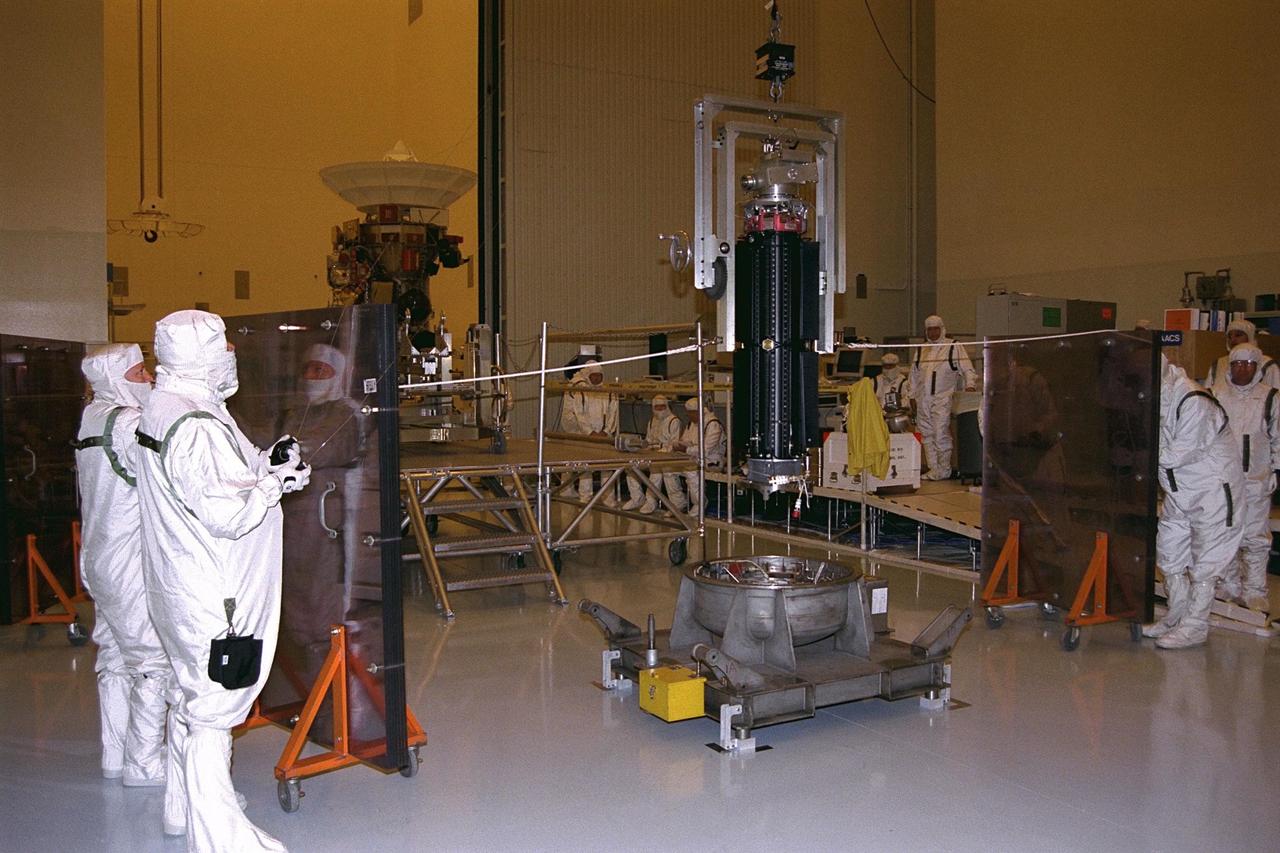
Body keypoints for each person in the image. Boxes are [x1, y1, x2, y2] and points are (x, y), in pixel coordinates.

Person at [135, 310, 311, 851]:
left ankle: (181, 810)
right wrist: (276, 485)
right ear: (201, 356)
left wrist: (266, 463)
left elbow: (216, 475)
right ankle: (221, 840)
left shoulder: (171, 406)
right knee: (213, 711)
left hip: (180, 584)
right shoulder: (193, 422)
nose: (232, 353)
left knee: (190, 701)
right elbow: (227, 512)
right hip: (216, 593)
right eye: (223, 345)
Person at [74, 343, 169, 787]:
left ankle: (115, 754)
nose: (149, 378)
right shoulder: (129, 425)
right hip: (129, 561)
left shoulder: (93, 416)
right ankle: (145, 763)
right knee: (151, 661)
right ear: (113, 380)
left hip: (98, 558)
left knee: (113, 659)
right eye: (138, 374)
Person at [1143, 357, 1244, 649]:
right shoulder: (1156, 397)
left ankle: (1195, 625)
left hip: (1212, 492)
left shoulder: (1193, 399)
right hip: (1179, 491)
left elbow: (1179, 453)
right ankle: (1176, 615)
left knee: (1206, 562)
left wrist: (1139, 454)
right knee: (1169, 553)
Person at [1210, 343, 1278, 612]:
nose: (1242, 369)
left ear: (1257, 367)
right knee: (1225, 532)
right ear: (1230, 366)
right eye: (1237, 363)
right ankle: (1227, 585)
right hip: (1223, 479)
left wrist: (1276, 470)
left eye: (1248, 364)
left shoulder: (1270, 397)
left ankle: (1254, 590)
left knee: (1255, 537)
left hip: (1256, 478)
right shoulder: (1216, 394)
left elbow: (1278, 438)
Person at [909, 315, 977, 480]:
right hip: (923, 399)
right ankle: (934, 469)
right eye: (929, 330)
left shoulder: (953, 347)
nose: (933, 333)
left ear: (942, 329)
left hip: (943, 398)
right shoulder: (921, 349)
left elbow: (967, 369)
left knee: (940, 433)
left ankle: (944, 469)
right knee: (926, 434)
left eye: (936, 329)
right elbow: (914, 376)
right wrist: (911, 396)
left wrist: (970, 385)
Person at [561, 359, 618, 502]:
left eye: (599, 375)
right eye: (594, 375)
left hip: (604, 436)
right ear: (588, 375)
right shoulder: (581, 390)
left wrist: (607, 431)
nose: (597, 378)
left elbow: (613, 413)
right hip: (585, 435)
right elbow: (579, 414)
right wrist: (589, 432)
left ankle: (608, 498)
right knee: (585, 466)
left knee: (606, 466)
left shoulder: (609, 392)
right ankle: (585, 497)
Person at [623, 394, 686, 513]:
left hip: (667, 457)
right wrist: (646, 448)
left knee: (657, 472)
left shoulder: (674, 421)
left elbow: (675, 444)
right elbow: (648, 440)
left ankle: (659, 502)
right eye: (657, 407)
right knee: (631, 467)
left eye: (662, 406)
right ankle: (637, 498)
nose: (660, 409)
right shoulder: (652, 421)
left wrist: (660, 450)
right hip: (652, 455)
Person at [674, 396, 725, 512]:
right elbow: (686, 440)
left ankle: (700, 503)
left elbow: (706, 449)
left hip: (712, 461)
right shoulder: (692, 424)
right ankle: (678, 502)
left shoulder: (712, 424)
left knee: (691, 471)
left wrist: (686, 449)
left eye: (690, 413)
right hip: (694, 458)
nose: (688, 416)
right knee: (668, 470)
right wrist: (677, 445)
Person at [1206, 319, 1280, 391]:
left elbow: (1276, 394)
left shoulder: (1267, 364)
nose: (1232, 340)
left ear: (1250, 337)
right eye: (1229, 336)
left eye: (1238, 335)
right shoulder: (1219, 364)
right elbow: (1207, 393)